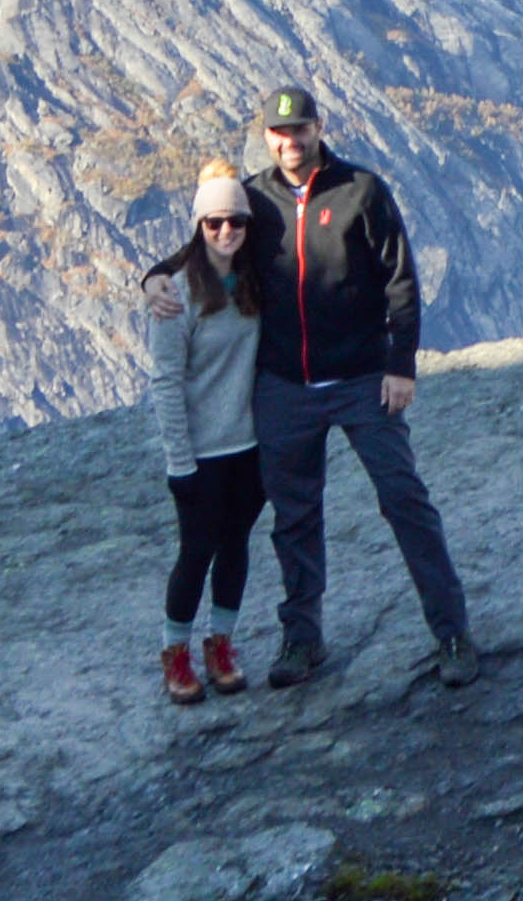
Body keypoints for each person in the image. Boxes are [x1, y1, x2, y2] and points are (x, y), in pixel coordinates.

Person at [218, 83, 482, 689]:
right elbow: (208, 249)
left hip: (364, 377)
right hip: (284, 384)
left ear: (318, 128)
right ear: (267, 137)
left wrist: (401, 366)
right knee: (294, 517)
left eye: (300, 130)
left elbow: (401, 282)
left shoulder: (362, 190)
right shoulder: (251, 200)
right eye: (279, 133)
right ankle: (301, 640)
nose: (290, 142)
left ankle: (452, 633)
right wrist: (159, 277)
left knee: (404, 500)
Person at [139, 165, 274, 703]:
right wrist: (180, 462)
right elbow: (166, 383)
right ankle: (175, 652)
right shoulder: (175, 295)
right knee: (196, 552)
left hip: (249, 445)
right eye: (214, 222)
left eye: (236, 222)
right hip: (202, 452)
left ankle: (221, 644)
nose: (226, 232)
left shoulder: (253, 279)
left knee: (236, 545)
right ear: (199, 225)